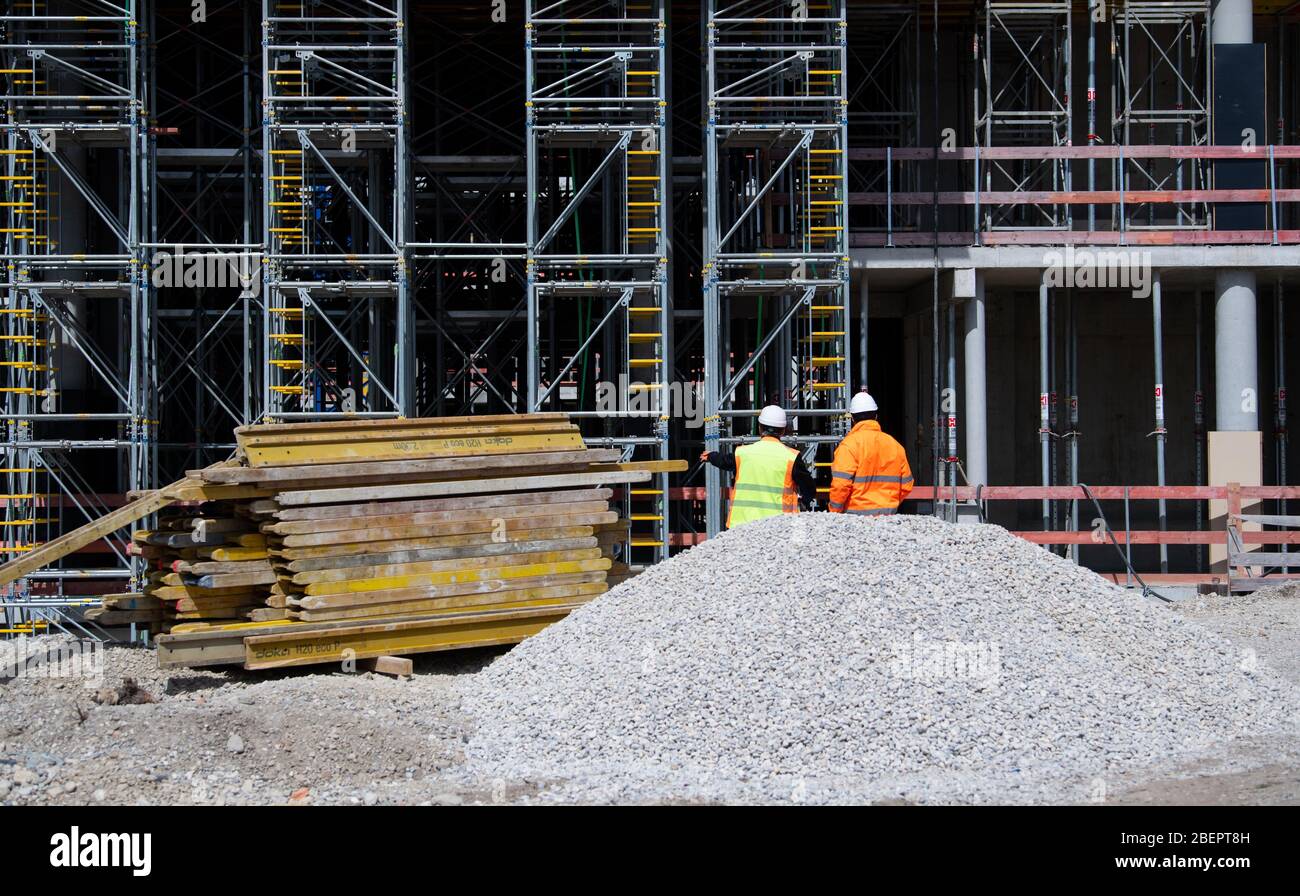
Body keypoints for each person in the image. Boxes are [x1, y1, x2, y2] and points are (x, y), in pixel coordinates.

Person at [700, 405, 817, 528]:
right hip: (778, 526)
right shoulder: (791, 457)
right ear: (783, 430)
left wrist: (711, 456)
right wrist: (804, 502)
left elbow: (724, 461)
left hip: (742, 524)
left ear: (760, 428)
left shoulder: (742, 453)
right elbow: (809, 488)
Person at [828, 391, 913, 516]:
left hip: (855, 518)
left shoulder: (849, 446)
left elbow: (841, 484)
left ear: (852, 419)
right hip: (888, 518)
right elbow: (906, 485)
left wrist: (834, 512)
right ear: (876, 417)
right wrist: (888, 504)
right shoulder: (894, 445)